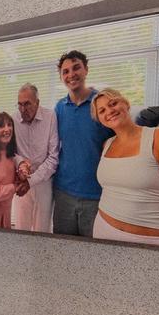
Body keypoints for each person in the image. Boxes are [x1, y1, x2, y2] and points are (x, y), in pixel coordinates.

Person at [89, 87, 159, 247]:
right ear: (100, 119)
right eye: (101, 111)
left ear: (126, 104)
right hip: (103, 230)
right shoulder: (107, 144)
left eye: (113, 103)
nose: (109, 111)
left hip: (151, 241)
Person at [51, 50, 111, 237]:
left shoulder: (102, 104)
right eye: (65, 71)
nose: (71, 74)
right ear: (61, 77)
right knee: (62, 250)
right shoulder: (59, 107)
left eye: (76, 68)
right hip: (63, 194)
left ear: (86, 70)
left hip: (95, 195)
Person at [9, 83, 57, 232]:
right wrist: (21, 164)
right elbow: (11, 152)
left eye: (27, 104)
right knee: (21, 230)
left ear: (37, 102)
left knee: (42, 231)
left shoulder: (50, 117)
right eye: (20, 105)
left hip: (44, 182)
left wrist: (32, 180)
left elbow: (53, 157)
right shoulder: (13, 119)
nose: (23, 109)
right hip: (21, 182)